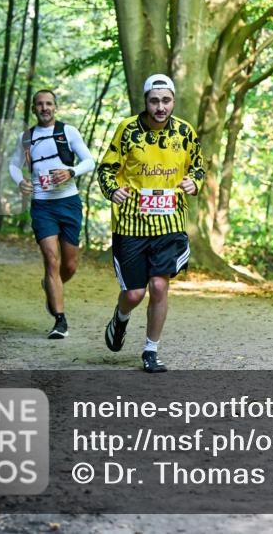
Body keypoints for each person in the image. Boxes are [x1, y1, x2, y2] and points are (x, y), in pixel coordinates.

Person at [97, 73, 205, 373]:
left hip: (169, 222)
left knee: (159, 286)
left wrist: (194, 183)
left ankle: (150, 350)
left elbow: (198, 166)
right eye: (155, 101)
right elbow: (107, 168)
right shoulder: (127, 129)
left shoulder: (185, 132)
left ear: (173, 101)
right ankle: (120, 318)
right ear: (145, 102)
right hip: (131, 224)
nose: (161, 107)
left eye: (166, 101)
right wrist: (112, 189)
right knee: (134, 293)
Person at [9, 89, 95, 339]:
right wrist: (19, 182)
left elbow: (89, 160)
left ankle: (50, 285)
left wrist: (71, 172)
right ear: (34, 109)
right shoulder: (26, 137)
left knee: (69, 264)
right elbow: (14, 165)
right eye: (39, 104)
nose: (44, 108)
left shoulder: (68, 132)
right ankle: (60, 320)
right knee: (52, 260)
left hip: (68, 203)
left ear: (55, 107)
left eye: (48, 104)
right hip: (42, 205)